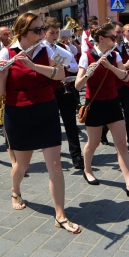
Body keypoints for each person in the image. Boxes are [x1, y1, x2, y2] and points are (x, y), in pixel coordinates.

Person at [0, 13, 81, 234]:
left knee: (56, 165)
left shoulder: (48, 50)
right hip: (19, 113)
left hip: (46, 110)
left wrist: (32, 65)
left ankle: (60, 215)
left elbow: (59, 75)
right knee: (23, 164)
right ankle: (15, 190)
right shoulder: (5, 52)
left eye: (42, 30)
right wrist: (2, 74)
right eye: (37, 31)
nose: (42, 34)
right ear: (23, 32)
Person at [74, 22, 129, 199]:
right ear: (101, 39)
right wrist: (87, 74)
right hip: (95, 103)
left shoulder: (115, 55)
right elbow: (77, 86)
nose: (116, 39)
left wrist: (110, 67)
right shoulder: (86, 56)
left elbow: (125, 76)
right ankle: (88, 169)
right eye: (113, 37)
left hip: (113, 102)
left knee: (121, 143)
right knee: (94, 143)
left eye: (116, 37)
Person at [43, 17, 84, 169]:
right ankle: (54, 156)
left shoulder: (62, 47)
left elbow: (75, 66)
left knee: (70, 124)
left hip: (65, 89)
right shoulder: (41, 48)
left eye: (57, 33)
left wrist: (64, 64)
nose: (55, 36)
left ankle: (76, 156)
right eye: (52, 33)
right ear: (45, 33)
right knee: (52, 125)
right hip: (50, 90)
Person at [100, 21, 129, 155]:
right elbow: (108, 68)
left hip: (126, 85)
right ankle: (102, 133)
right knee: (112, 116)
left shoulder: (126, 46)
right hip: (113, 86)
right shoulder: (108, 49)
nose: (119, 35)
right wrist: (124, 65)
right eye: (117, 33)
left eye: (120, 32)